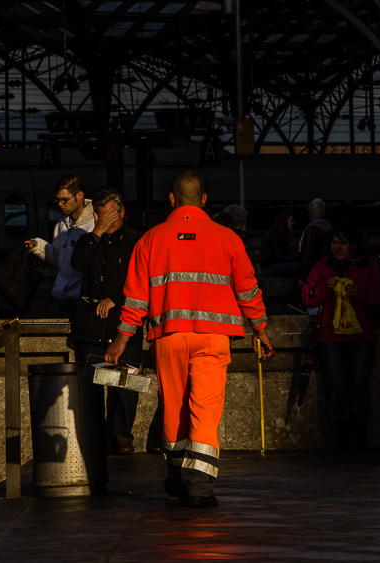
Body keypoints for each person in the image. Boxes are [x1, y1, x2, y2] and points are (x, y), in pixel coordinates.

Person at [106, 170, 274, 509]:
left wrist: (121, 339)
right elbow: (247, 289)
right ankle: (199, 486)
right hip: (213, 339)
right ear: (204, 200)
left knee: (174, 408)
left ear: (171, 199)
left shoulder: (150, 239)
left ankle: (177, 473)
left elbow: (135, 298)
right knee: (205, 410)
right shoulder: (227, 238)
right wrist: (260, 329)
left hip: (168, 338)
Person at [301, 222, 380, 451]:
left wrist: (359, 292)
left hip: (362, 337)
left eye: (342, 243)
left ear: (354, 246)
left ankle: (359, 437)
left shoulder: (368, 267)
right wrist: (324, 288)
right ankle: (342, 440)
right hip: (330, 338)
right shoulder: (321, 268)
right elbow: (308, 298)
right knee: (337, 386)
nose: (337, 247)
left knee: (359, 385)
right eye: (333, 243)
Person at [70, 189, 143, 455]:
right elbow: (77, 264)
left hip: (124, 322)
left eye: (111, 215)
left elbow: (143, 279)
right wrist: (97, 232)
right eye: (101, 216)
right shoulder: (89, 239)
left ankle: (123, 434)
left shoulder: (137, 240)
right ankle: (94, 433)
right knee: (92, 384)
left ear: (122, 213)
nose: (106, 220)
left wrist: (116, 298)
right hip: (91, 325)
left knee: (126, 384)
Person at [26, 173, 95, 316]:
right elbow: (58, 259)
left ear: (80, 196)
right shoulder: (61, 224)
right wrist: (37, 246)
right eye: (58, 200)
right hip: (64, 298)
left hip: (84, 300)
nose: (60, 204)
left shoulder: (94, 224)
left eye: (64, 200)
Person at [259, 211, 299, 277]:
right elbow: (280, 257)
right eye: (291, 221)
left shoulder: (279, 235)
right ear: (285, 222)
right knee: (299, 267)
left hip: (273, 265)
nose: (293, 223)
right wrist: (296, 258)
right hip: (270, 268)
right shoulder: (274, 236)